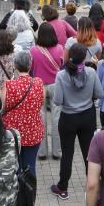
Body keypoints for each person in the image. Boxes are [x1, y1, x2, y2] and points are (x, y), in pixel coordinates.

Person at [51, 43, 103, 200]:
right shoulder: (91, 73)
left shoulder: (61, 75)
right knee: (89, 153)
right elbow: (99, 93)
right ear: (84, 58)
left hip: (68, 118)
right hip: (87, 116)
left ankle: (63, 188)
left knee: (67, 153)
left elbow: (58, 100)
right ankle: (93, 185)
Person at [1, 51, 45, 174]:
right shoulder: (38, 83)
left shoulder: (8, 85)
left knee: (14, 167)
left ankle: (16, 191)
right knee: (30, 166)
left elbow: (3, 107)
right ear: (30, 65)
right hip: (33, 132)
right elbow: (40, 103)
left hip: (12, 134)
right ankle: (29, 191)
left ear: (15, 65)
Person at [29, 24, 64, 161]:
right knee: (56, 117)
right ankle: (57, 151)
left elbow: (30, 68)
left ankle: (42, 152)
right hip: (56, 85)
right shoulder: (60, 48)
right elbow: (62, 65)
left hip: (39, 85)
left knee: (40, 117)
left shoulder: (33, 50)